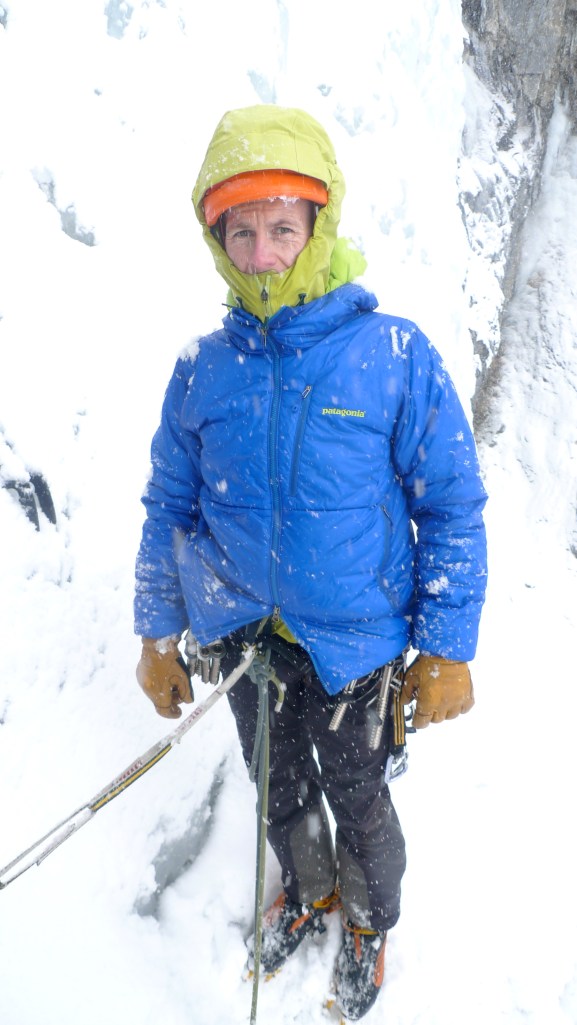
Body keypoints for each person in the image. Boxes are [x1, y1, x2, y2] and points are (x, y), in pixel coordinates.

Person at [134, 104, 488, 1021]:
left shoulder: (392, 354)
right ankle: (310, 886)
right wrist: (157, 633)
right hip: (244, 635)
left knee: (359, 795)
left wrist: (446, 647)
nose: (260, 253)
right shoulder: (202, 368)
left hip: (355, 644)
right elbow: (168, 505)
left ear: (317, 227)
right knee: (278, 783)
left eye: (281, 228)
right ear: (217, 239)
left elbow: (448, 502)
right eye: (240, 232)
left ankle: (367, 920)